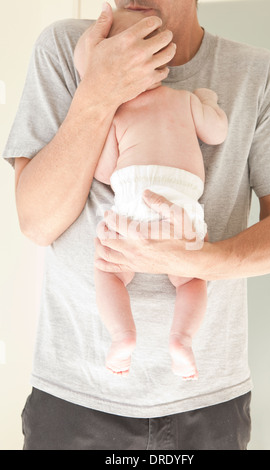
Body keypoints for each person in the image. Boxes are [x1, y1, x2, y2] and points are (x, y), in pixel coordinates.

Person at [2, 0, 270, 451]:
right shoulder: (68, 49)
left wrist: (203, 260)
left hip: (208, 400)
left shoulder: (260, 75)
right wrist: (98, 92)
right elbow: (37, 223)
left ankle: (181, 338)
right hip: (75, 395)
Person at [74, 8, 228, 380]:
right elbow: (218, 133)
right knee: (192, 278)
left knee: (109, 271)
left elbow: (105, 173)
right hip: (181, 209)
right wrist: (208, 101)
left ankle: (122, 336)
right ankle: (182, 340)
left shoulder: (118, 113)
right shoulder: (185, 100)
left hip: (131, 205)